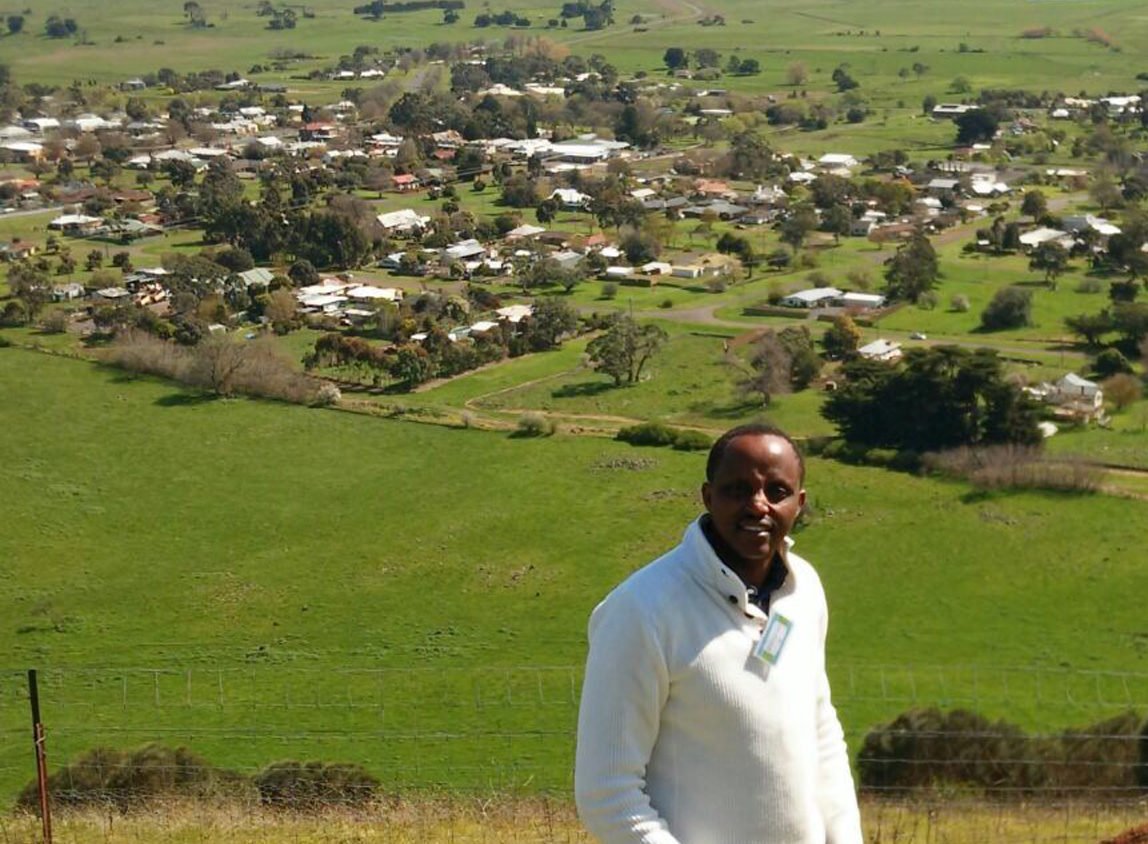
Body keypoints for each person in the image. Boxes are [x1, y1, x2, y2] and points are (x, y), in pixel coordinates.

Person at [574, 423, 862, 844]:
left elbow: (821, 731)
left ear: (799, 504)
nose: (757, 506)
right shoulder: (640, 610)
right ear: (708, 497)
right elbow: (607, 795)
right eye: (737, 490)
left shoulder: (804, 590)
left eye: (776, 492)